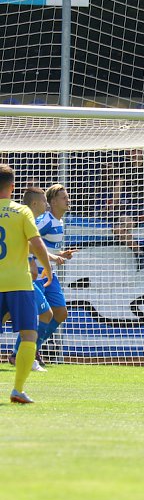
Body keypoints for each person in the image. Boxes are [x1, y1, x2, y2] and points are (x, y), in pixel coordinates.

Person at [0, 164, 53, 403]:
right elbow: (37, 243)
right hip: (19, 283)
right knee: (29, 334)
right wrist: (48, 268)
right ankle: (18, 389)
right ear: (12, 187)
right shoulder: (21, 211)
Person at [8, 187, 57, 372]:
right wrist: (37, 264)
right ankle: (25, 357)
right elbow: (32, 245)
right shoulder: (25, 217)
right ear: (35, 203)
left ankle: (21, 355)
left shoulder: (18, 217)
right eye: (44, 201)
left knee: (43, 314)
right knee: (40, 316)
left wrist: (54, 256)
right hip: (19, 278)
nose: (47, 204)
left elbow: (28, 245)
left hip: (17, 277)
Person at [33, 184, 79, 357]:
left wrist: (60, 254)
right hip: (35, 273)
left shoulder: (59, 221)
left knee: (60, 313)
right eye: (64, 197)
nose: (68, 200)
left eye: (68, 197)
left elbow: (45, 247)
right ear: (52, 202)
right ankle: (21, 352)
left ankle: (34, 348)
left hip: (48, 272)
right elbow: (30, 242)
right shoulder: (45, 220)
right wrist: (53, 257)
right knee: (40, 314)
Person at [108, 149, 144, 270]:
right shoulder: (125, 167)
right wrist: (112, 204)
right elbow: (118, 186)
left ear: (142, 152)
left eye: (136, 151)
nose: (134, 153)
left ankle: (140, 253)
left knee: (120, 229)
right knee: (118, 229)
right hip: (130, 207)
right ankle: (139, 253)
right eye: (131, 151)